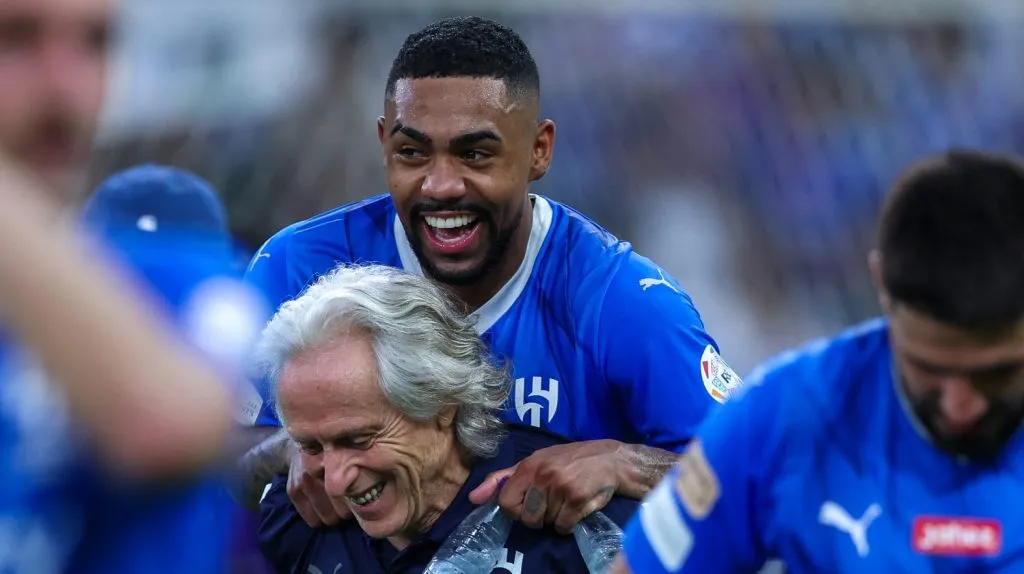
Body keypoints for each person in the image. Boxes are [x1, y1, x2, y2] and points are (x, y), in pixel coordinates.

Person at [238, 15, 741, 535]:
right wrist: (299, 447)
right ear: (384, 142)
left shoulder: (621, 303)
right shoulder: (300, 269)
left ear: (538, 150)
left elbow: (750, 469)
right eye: (412, 153)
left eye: (475, 154)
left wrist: (625, 463)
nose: (440, 185)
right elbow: (218, 451)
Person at [610, 150, 1024, 573]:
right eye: (929, 368)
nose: (959, 406)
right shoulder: (780, 419)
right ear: (882, 285)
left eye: (997, 374)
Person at [255, 264, 638, 573]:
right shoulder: (301, 511)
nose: (335, 483)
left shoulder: (578, 521)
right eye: (311, 445)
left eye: (358, 439)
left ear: (442, 405)